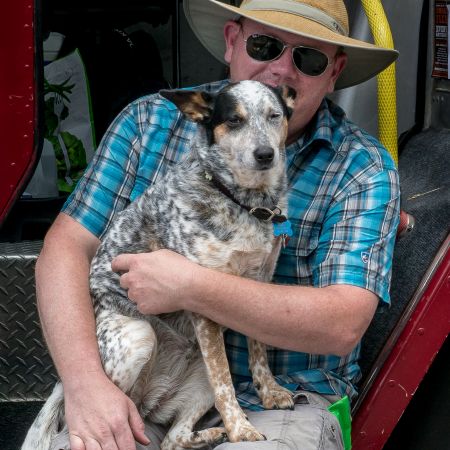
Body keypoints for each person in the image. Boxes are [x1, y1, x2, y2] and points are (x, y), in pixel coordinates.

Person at [36, 1, 400, 449]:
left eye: (308, 57)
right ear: (232, 41)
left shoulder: (362, 169)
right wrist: (84, 383)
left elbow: (342, 325)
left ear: (334, 72)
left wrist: (190, 286)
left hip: (284, 401)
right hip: (144, 379)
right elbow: (66, 249)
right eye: (265, 45)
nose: (282, 69)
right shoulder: (150, 121)